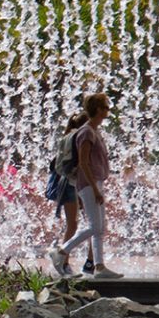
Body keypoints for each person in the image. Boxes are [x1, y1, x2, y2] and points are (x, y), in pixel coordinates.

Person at [52, 94, 117, 278]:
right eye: (106, 107)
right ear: (98, 110)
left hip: (95, 182)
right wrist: (95, 189)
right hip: (88, 184)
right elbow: (83, 163)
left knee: (99, 227)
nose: (108, 111)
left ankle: (99, 267)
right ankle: (61, 251)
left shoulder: (94, 131)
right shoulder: (86, 132)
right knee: (94, 226)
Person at [43, 111, 88, 250]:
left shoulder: (67, 137)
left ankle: (82, 260)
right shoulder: (78, 138)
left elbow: (57, 166)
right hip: (74, 185)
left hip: (68, 184)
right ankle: (63, 257)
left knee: (76, 224)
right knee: (81, 224)